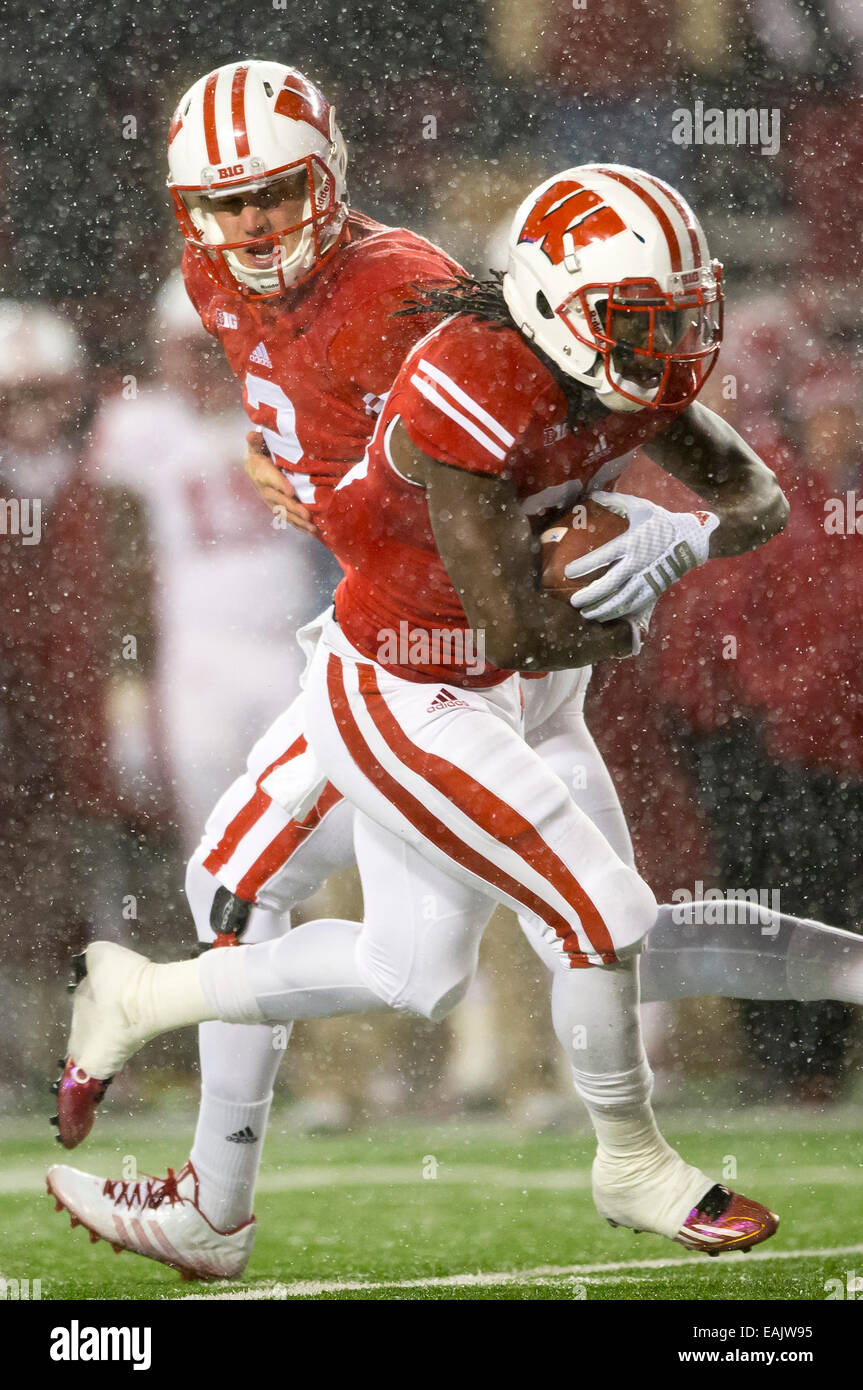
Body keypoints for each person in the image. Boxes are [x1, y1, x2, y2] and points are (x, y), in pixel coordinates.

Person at [47, 84, 863, 1281]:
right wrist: (623, 574)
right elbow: (483, 580)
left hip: (473, 658)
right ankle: (223, 1196)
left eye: (279, 190)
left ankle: (165, 1067)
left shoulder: (441, 317)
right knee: (269, 884)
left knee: (418, 966)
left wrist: (666, 539)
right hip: (408, 668)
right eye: (229, 203)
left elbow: (694, 505)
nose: (258, 225)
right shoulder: (433, 361)